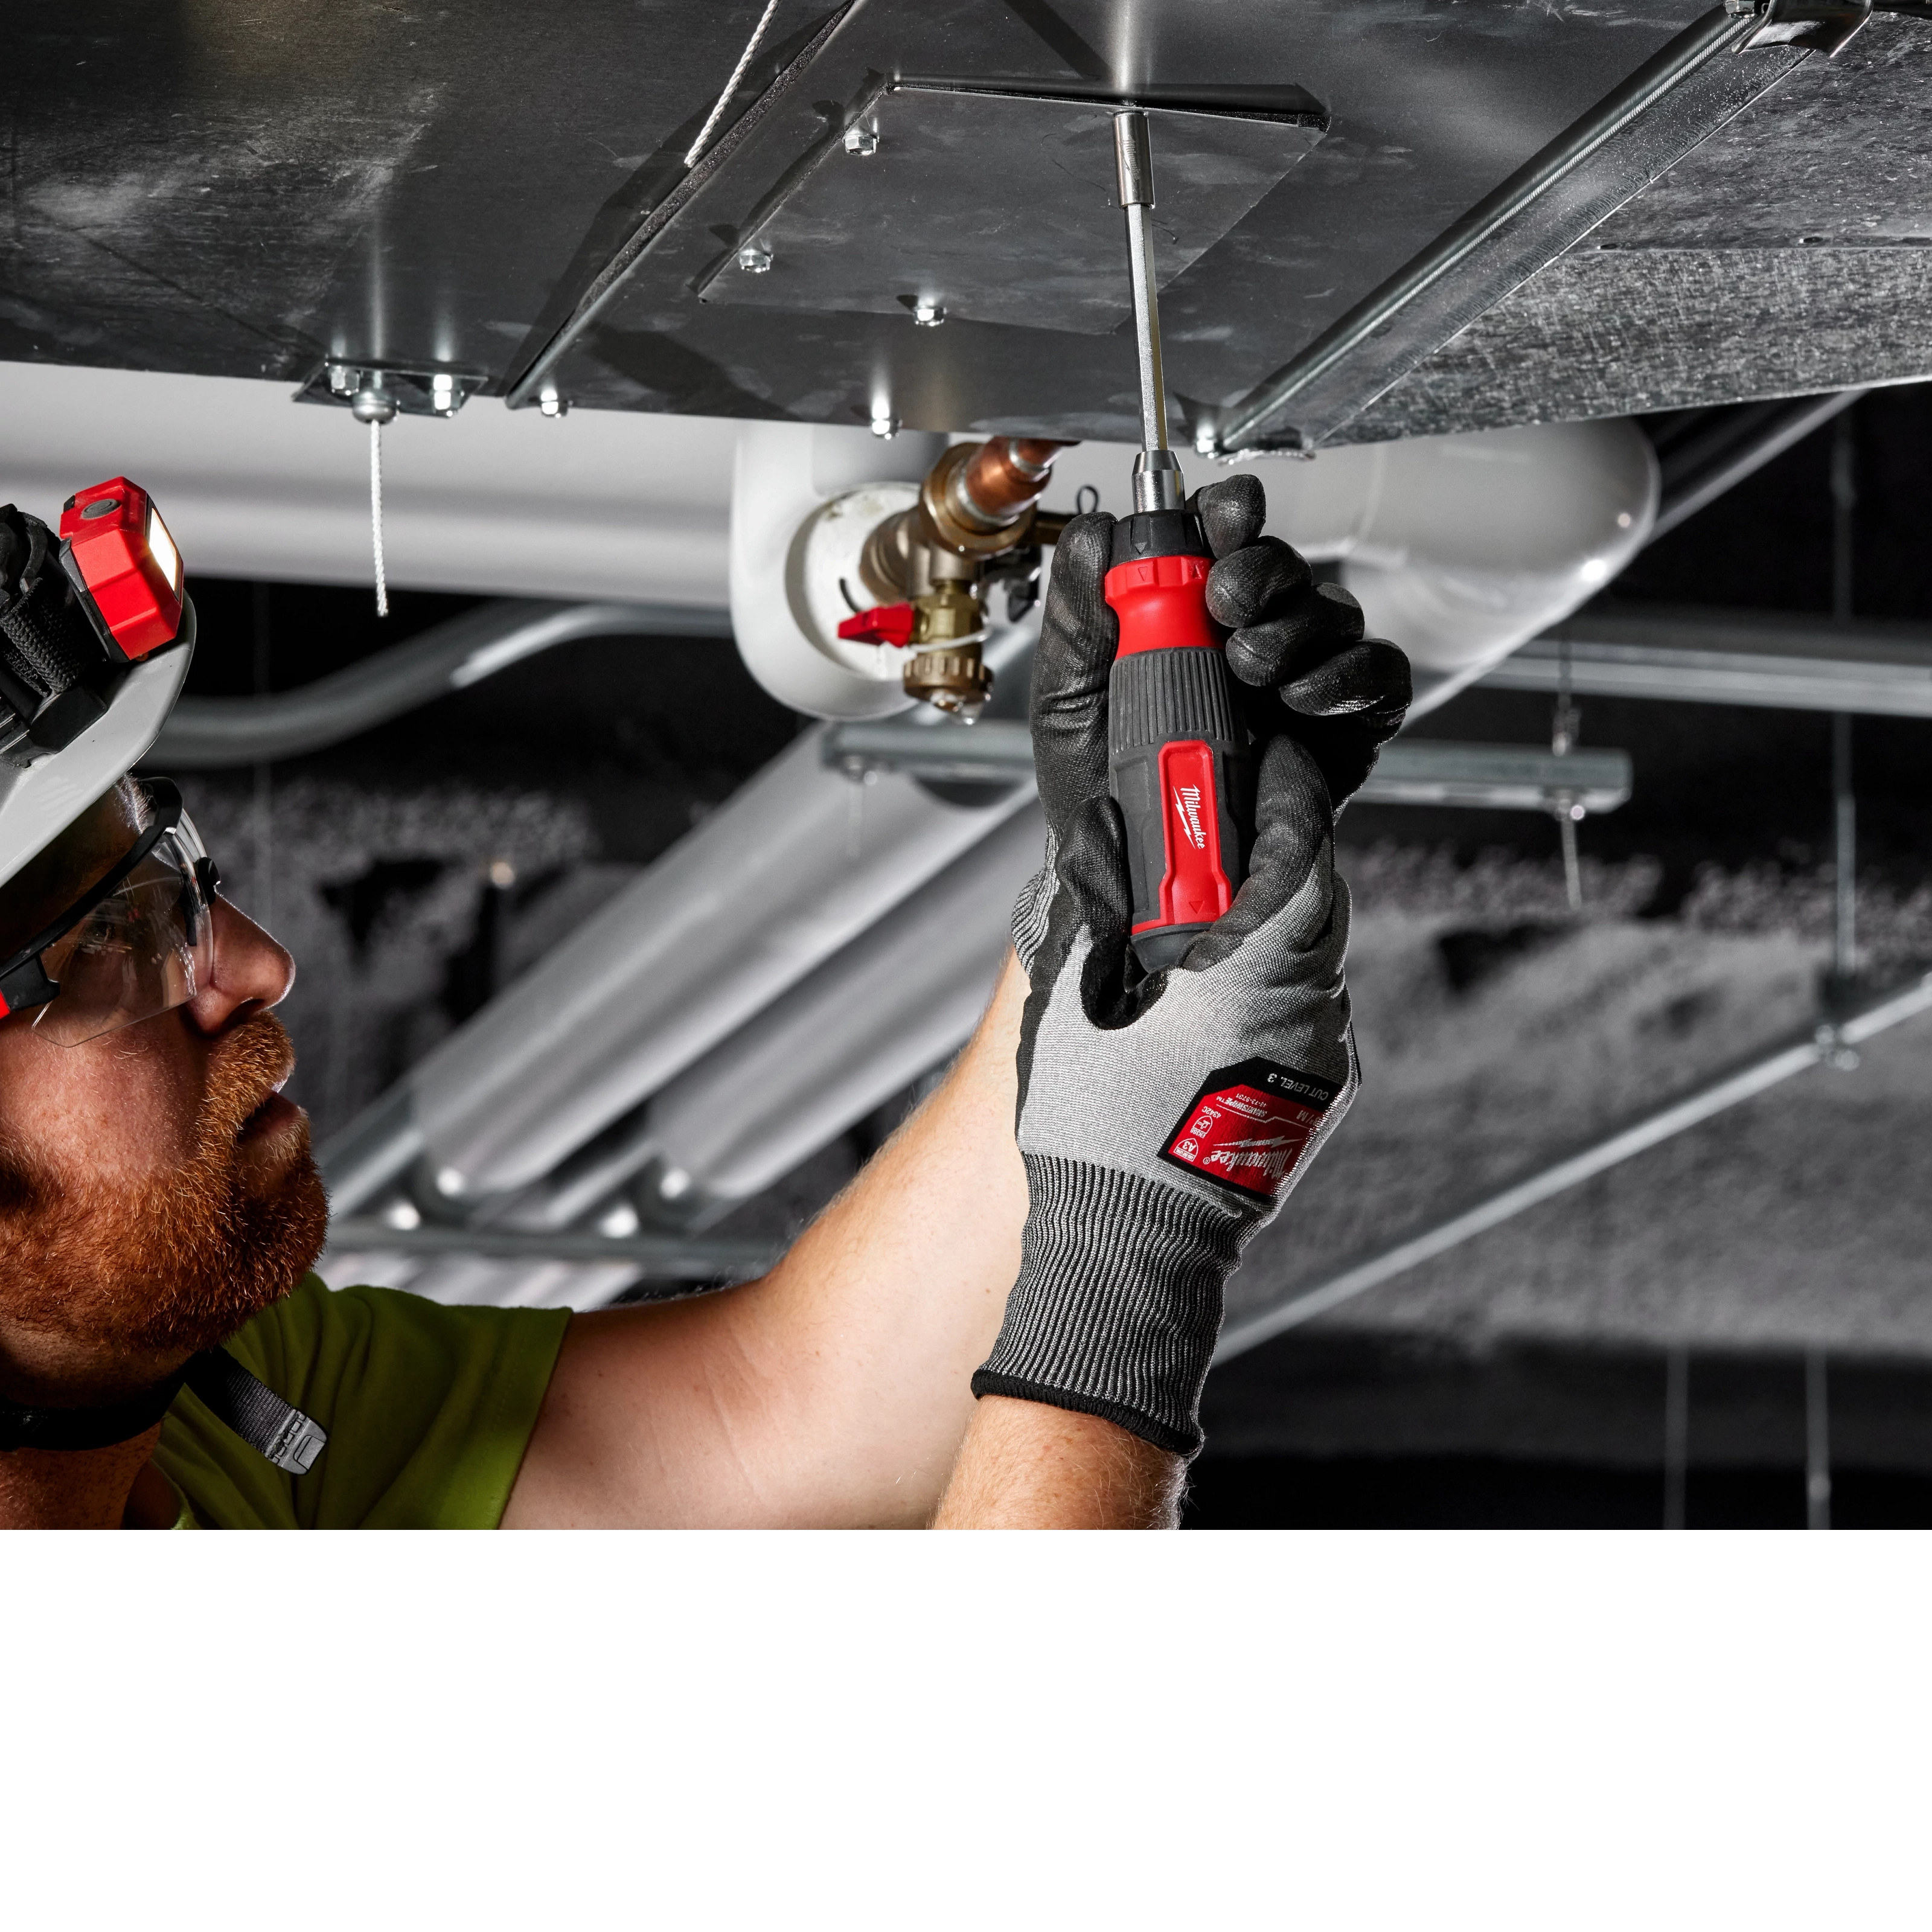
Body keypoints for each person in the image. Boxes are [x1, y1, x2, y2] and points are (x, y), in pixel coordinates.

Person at [0, 474, 1409, 1530]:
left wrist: (1100, 945)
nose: (251, 959)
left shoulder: (202, 1407)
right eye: (124, 931)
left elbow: (783, 1414)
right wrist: (1125, 1262)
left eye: (180, 865)